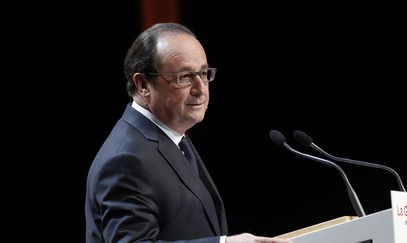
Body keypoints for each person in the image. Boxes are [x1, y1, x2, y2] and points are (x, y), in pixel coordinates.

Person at [85, 22, 291, 243]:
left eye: (203, 73)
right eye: (184, 76)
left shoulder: (172, 134)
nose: (200, 88)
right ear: (143, 84)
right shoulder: (126, 159)